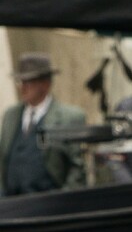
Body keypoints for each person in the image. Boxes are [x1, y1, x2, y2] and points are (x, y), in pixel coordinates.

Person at [0, 52, 86, 195]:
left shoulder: (69, 118)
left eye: (29, 82)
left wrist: (62, 201)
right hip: (11, 205)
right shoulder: (11, 115)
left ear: (45, 85)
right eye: (21, 82)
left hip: (49, 205)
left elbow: (77, 168)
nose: (23, 87)